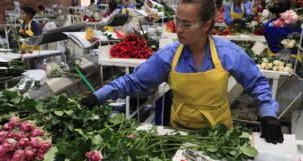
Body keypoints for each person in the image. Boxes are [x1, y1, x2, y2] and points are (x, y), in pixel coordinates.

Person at [81, 0, 283, 144]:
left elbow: (257, 83)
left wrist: (268, 115)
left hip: (220, 137)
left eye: (186, 24)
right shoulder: (168, 56)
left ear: (206, 24)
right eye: (177, 21)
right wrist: (98, 96)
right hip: (179, 136)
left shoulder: (228, 54)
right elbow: (133, 82)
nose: (178, 29)